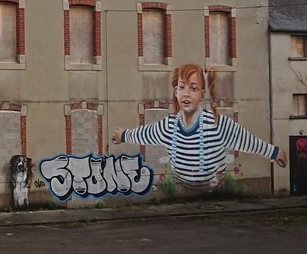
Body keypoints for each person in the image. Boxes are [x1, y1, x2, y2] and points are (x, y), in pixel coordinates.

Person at [111, 63, 288, 187]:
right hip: (183, 189)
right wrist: (124, 135)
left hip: (213, 189)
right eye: (182, 87)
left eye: (193, 88)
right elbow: (146, 133)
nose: (186, 94)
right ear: (176, 92)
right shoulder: (169, 126)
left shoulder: (217, 123)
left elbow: (245, 140)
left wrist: (274, 152)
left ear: (202, 95)